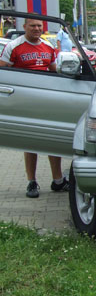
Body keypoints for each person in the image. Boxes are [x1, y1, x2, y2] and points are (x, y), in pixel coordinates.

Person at [0, 18, 69, 198]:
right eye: (32, 25)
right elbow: (3, 71)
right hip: (25, 100)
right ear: (24, 27)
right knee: (31, 142)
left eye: (39, 26)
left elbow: (54, 70)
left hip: (46, 98)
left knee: (53, 139)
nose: (36, 28)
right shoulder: (14, 46)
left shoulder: (48, 46)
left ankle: (58, 180)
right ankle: (31, 182)